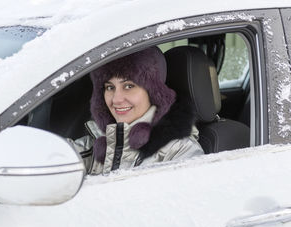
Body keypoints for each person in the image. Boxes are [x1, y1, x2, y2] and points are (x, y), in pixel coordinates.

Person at [70, 47, 203, 175]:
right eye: (110, 87)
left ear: (154, 93)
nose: (116, 100)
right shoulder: (95, 144)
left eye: (129, 86)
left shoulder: (179, 152)